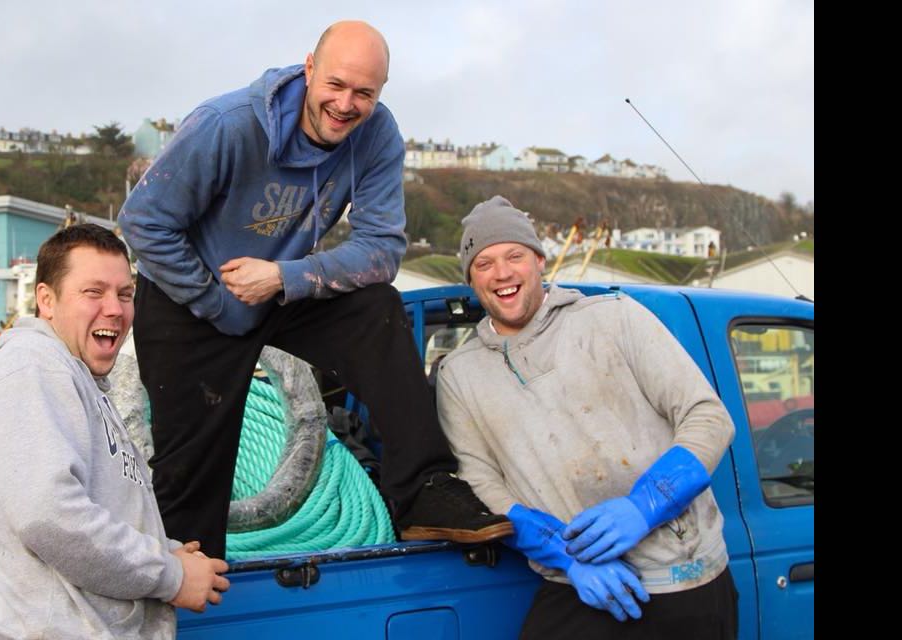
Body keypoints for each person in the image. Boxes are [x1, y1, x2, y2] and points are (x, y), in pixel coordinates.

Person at [118, 20, 511, 558]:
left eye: (364, 93)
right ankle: (183, 581)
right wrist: (215, 302)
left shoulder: (375, 135)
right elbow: (143, 222)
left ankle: (425, 491)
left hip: (277, 285)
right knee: (193, 476)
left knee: (377, 310)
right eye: (336, 85)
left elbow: (381, 250)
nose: (347, 104)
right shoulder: (226, 125)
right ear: (309, 69)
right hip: (191, 298)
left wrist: (285, 278)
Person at [436, 196, 739, 637]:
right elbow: (479, 480)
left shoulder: (614, 319)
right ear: (471, 280)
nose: (501, 273)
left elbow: (707, 417)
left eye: (514, 256)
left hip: (683, 580)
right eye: (483, 263)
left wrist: (645, 506)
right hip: (572, 585)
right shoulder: (459, 374)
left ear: (539, 261)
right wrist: (564, 555)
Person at [0, 224, 229, 639]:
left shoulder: (76, 377)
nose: (115, 309)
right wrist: (171, 576)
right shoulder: (32, 367)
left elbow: (95, 504)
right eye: (93, 292)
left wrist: (166, 551)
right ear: (46, 300)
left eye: (125, 294)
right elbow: (49, 515)